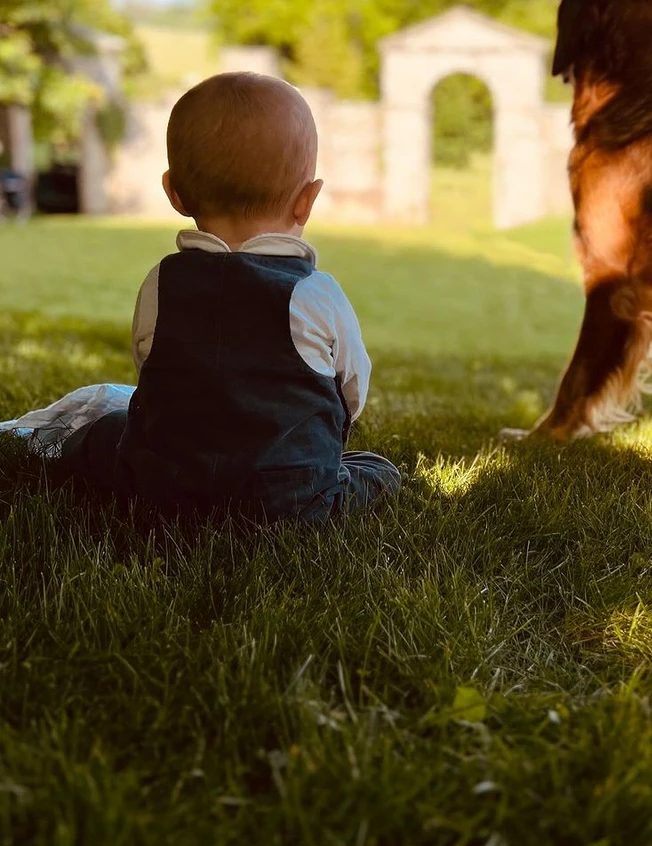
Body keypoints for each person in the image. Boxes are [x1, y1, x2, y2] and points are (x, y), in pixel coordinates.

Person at [57, 71, 400, 522]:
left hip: (164, 489)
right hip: (289, 502)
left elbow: (151, 371)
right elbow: (351, 391)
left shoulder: (162, 281)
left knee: (104, 434)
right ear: (307, 200)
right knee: (379, 470)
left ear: (174, 193)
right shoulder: (316, 293)